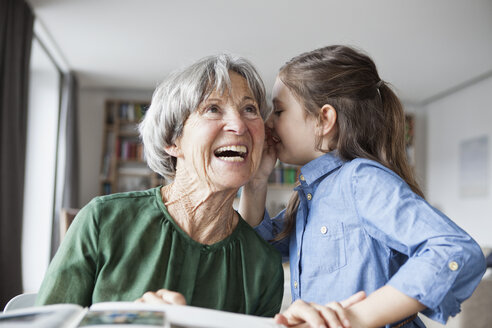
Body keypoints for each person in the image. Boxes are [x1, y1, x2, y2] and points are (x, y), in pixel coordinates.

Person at [239, 45, 486, 327]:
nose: (268, 123)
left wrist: (355, 317)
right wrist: (255, 182)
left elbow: (453, 249)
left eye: (279, 111)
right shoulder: (311, 195)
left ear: (324, 120)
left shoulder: (360, 180)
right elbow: (257, 254)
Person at [36, 54, 284, 317]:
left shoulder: (264, 266)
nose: (239, 125)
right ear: (172, 140)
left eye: (250, 109)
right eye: (213, 108)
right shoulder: (102, 221)